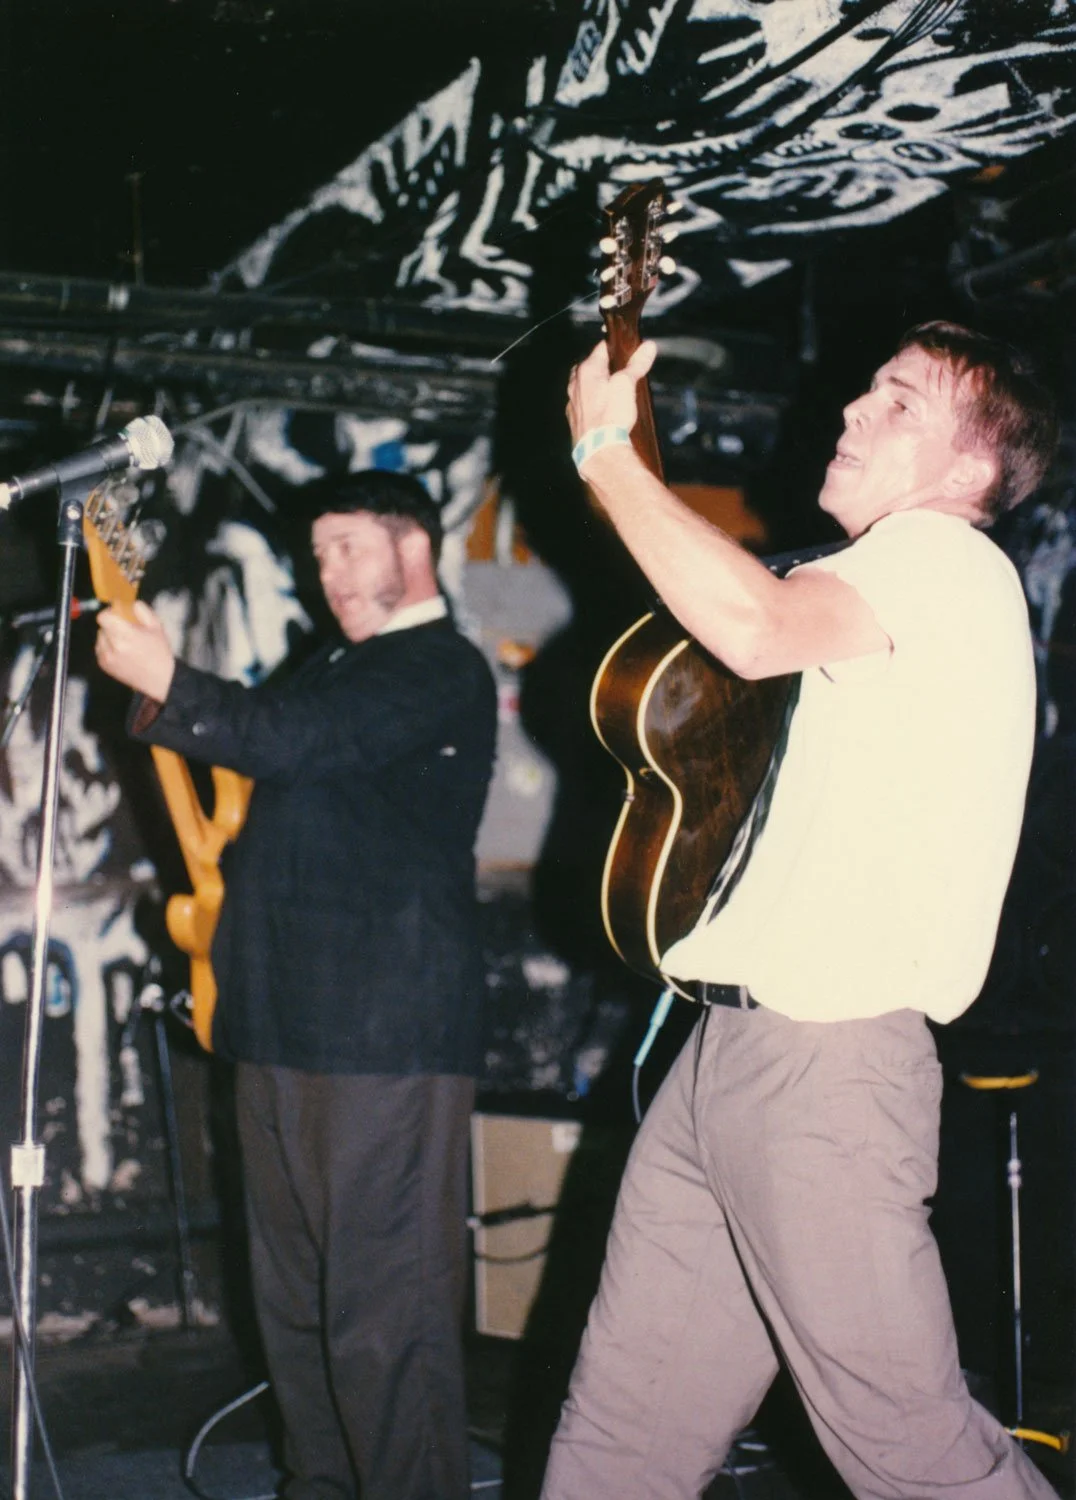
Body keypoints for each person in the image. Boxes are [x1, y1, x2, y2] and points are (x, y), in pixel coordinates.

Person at [541, 323, 1060, 1500]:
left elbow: (751, 627)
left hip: (823, 1069)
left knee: (909, 1447)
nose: (852, 412)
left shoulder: (940, 557)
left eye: (898, 404)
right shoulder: (872, 588)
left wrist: (605, 454)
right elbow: (736, 618)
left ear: (969, 468)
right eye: (864, 392)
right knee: (623, 1432)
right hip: (732, 1053)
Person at [96, 470, 497, 1500]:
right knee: (297, 1309)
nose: (329, 574)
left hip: (383, 1037)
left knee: (383, 1316)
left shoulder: (436, 665)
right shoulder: (334, 665)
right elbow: (273, 750)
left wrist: (169, 678)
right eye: (318, 555)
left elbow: (289, 739)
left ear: (413, 547)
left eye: (348, 547)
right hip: (281, 1022)